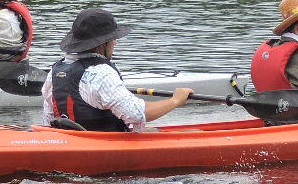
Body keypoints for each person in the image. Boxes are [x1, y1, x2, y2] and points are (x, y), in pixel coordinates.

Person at [40, 7, 192, 132]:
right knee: (192, 134)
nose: (115, 43)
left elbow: (48, 120)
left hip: (68, 141)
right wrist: (175, 100)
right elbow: (135, 114)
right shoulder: (101, 73)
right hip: (107, 145)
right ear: (102, 44)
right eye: (113, 39)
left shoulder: (54, 72)